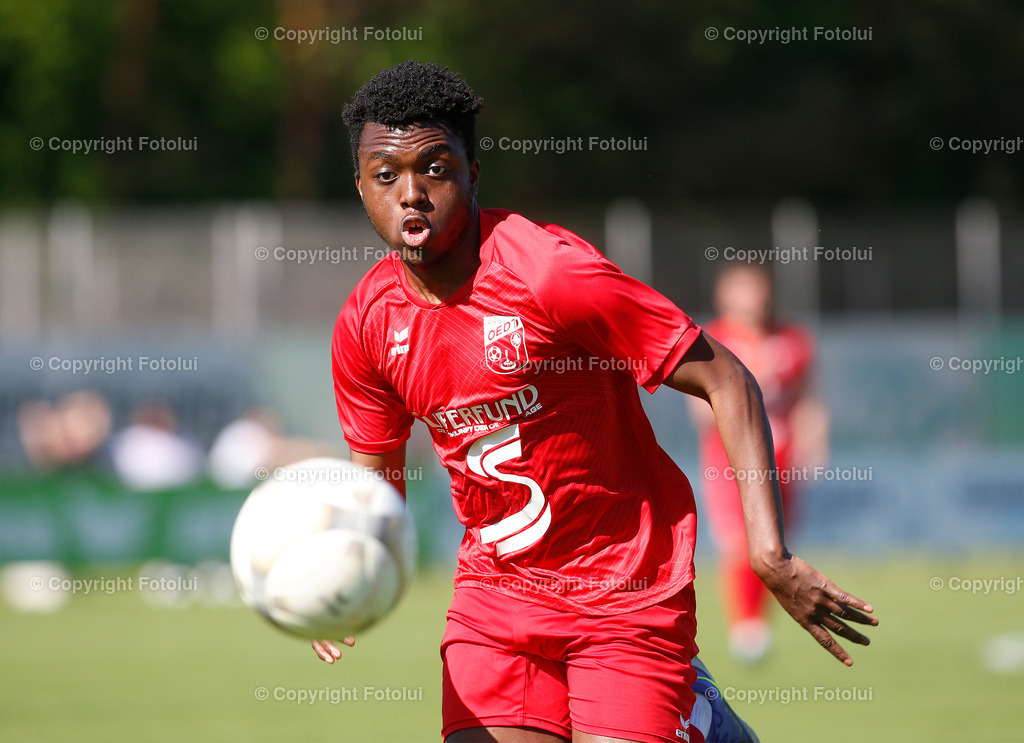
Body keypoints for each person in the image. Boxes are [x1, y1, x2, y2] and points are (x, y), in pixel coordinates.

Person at [315, 61, 876, 743]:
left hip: (624, 593)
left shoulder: (549, 273)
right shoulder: (367, 324)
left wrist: (770, 555)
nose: (411, 194)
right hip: (495, 603)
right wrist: (350, 578)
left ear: (472, 173)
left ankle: (706, 721)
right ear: (360, 187)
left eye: (435, 167)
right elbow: (379, 491)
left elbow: (727, 378)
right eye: (386, 175)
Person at [690, 265, 830, 663]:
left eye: (758, 291)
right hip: (729, 458)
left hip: (781, 456)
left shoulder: (792, 340)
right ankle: (745, 626)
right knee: (737, 540)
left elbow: (807, 397)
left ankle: (760, 622)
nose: (754, 300)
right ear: (725, 297)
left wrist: (814, 439)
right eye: (743, 291)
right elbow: (699, 410)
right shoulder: (711, 339)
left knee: (775, 542)